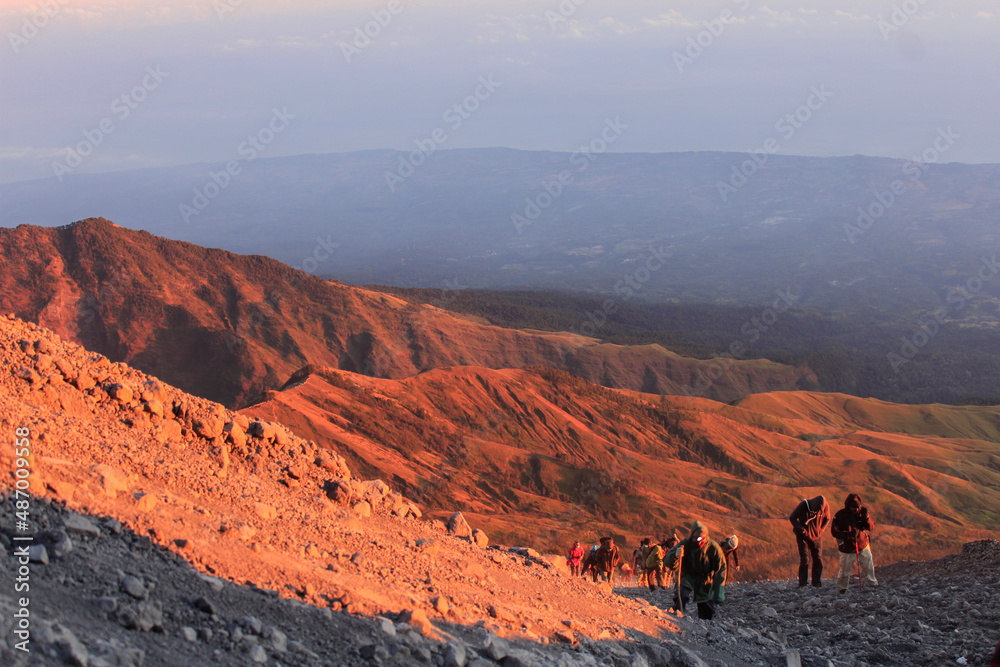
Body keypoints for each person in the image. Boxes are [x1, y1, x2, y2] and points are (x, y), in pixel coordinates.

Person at [664, 521, 726, 620]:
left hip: (705, 578)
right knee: (682, 594)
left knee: (706, 605)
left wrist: (719, 590)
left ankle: (705, 623)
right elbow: (667, 560)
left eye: (703, 539)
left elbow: (721, 568)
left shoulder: (713, 548)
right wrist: (675, 555)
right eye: (697, 539)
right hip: (688, 575)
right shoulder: (685, 544)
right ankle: (678, 617)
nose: (700, 542)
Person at [830, 493, 878, 593]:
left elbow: (871, 527)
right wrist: (848, 534)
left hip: (863, 544)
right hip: (847, 547)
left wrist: (867, 518)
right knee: (845, 570)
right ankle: (842, 588)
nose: (855, 509)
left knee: (869, 566)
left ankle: (873, 584)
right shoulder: (840, 515)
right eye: (853, 507)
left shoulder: (862, 513)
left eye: (857, 507)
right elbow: (834, 532)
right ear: (848, 506)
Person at [789, 495, 831, 588]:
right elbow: (792, 517)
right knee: (805, 559)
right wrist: (801, 529)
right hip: (803, 536)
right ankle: (803, 583)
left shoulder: (825, 507)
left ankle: (816, 582)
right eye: (816, 509)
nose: (817, 511)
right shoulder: (804, 505)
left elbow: (827, 518)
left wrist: (821, 530)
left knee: (818, 559)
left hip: (816, 536)